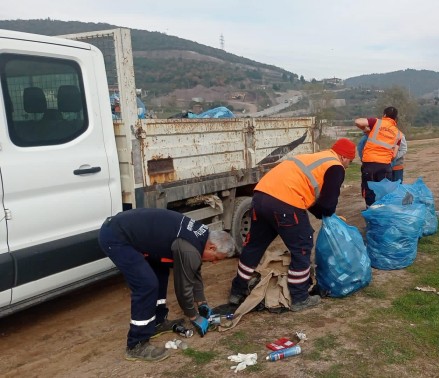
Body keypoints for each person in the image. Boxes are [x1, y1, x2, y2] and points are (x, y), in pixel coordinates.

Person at [228, 138, 356, 312]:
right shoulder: (335, 166)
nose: (349, 165)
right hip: (285, 203)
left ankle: (237, 291)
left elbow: (311, 199)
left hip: (260, 196)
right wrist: (329, 216)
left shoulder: (315, 158)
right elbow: (327, 205)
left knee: (254, 246)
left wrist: (320, 212)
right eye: (350, 160)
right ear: (343, 157)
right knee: (302, 246)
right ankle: (300, 297)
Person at [98, 208, 234, 362]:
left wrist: (202, 302)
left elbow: (194, 271)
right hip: (117, 237)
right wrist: (193, 316)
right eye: (217, 258)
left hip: (128, 231)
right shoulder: (190, 249)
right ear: (212, 247)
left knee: (161, 273)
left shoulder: (201, 237)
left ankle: (158, 322)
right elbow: (183, 287)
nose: (215, 262)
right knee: (146, 285)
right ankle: (136, 344)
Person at [355, 106, 402, 206]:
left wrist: (366, 130)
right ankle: (382, 214)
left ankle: (371, 213)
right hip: (385, 166)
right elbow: (394, 155)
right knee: (384, 193)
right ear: (395, 118)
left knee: (369, 191)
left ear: (384, 115)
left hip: (369, 163)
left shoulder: (377, 122)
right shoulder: (398, 134)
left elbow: (358, 122)